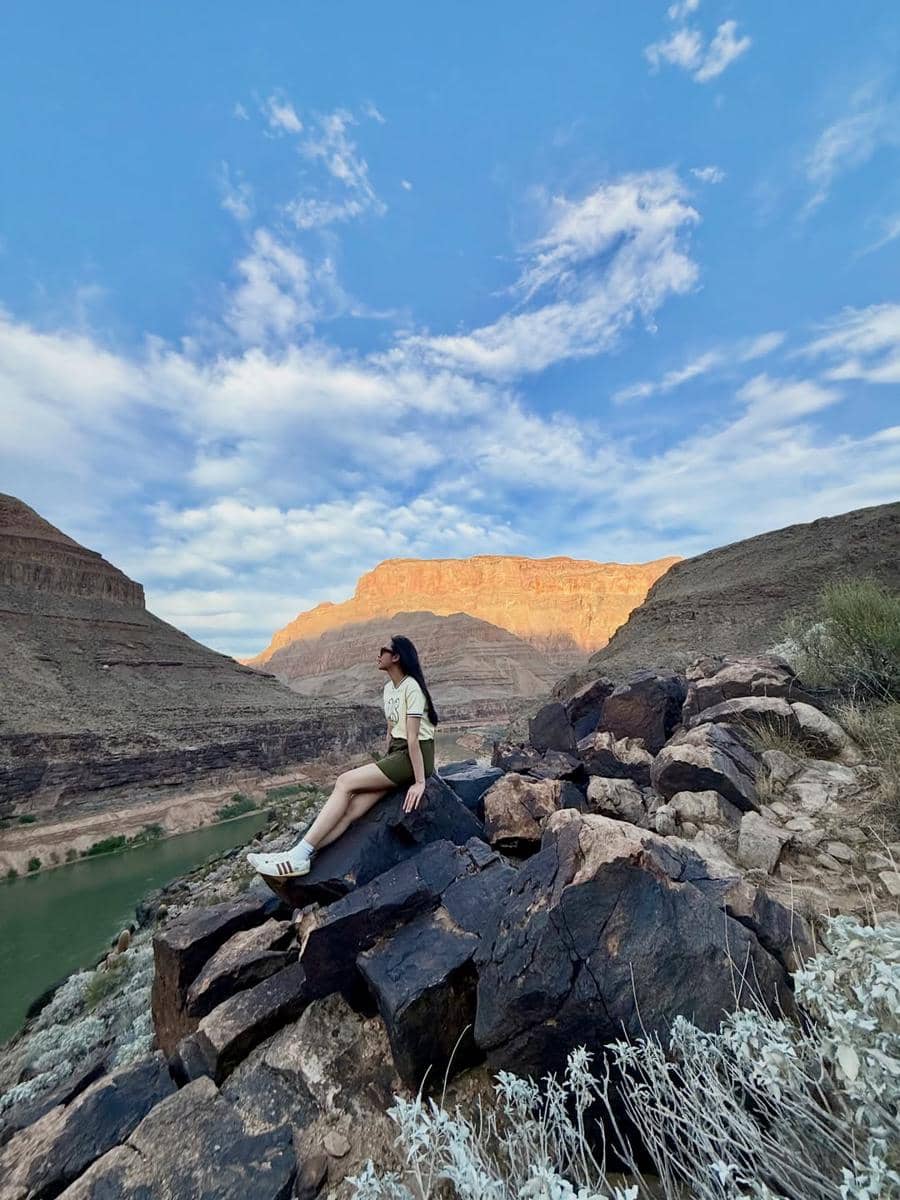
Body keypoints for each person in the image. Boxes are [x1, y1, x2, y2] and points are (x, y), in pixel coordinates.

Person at [247, 634, 438, 879]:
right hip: (398, 755)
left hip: (414, 756)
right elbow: (392, 729)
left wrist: (420, 781)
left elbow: (413, 739)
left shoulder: (412, 686)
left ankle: (298, 856)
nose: (377, 655)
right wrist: (385, 759)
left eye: (383, 650)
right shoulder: (389, 688)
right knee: (351, 810)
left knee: (344, 782)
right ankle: (294, 854)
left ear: (397, 656)